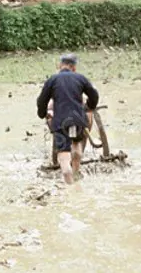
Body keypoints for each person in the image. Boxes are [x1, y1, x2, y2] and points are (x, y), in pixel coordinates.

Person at [37, 53, 99, 184]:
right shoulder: (81, 78)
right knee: (76, 143)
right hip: (77, 121)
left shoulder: (52, 80)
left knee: (64, 158)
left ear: (60, 66)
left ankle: (70, 187)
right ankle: (76, 172)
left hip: (61, 123)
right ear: (74, 68)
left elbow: (42, 101)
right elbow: (94, 95)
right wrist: (89, 106)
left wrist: (43, 114)